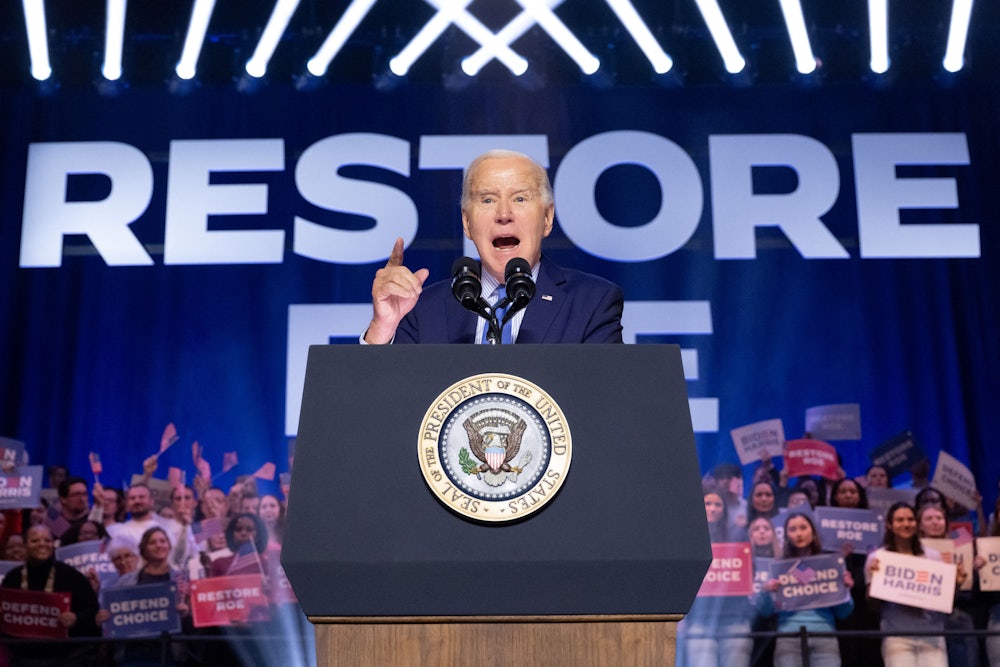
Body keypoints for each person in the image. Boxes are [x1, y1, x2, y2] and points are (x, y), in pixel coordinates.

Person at [362, 149, 624, 345]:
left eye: (520, 198)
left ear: (547, 218)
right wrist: (382, 328)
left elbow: (605, 401)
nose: (503, 214)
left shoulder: (592, 302)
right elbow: (378, 405)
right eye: (487, 200)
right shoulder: (420, 309)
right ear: (467, 222)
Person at [865, 502, 959, 667]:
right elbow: (872, 605)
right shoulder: (878, 557)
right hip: (897, 635)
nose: (906, 524)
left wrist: (957, 583)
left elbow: (946, 600)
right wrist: (874, 583)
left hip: (932, 634)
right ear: (889, 525)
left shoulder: (933, 556)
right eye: (900, 520)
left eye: (910, 519)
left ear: (917, 524)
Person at [757, 512, 854, 667]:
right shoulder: (777, 567)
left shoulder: (830, 564)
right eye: (793, 529)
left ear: (813, 532)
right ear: (786, 535)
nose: (799, 533)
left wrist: (845, 590)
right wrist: (766, 591)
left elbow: (844, 613)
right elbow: (765, 612)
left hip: (824, 635)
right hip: (788, 635)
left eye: (803, 528)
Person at [0, 525, 101, 666]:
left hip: (68, 657)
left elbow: (93, 612)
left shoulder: (72, 576)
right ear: (25, 545)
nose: (42, 544)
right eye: (35, 541)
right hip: (23, 658)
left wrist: (76, 618)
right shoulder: (12, 578)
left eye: (47, 540)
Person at [677, 490, 752, 667]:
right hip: (699, 622)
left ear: (724, 510)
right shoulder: (686, 540)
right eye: (707, 503)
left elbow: (749, 575)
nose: (712, 508)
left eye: (718, 504)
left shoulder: (739, 537)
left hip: (735, 620)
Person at [827, 477, 881, 667]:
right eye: (843, 491)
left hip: (867, 598)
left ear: (860, 496)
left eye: (853, 491)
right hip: (841, 599)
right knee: (846, 651)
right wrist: (840, 556)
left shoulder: (874, 525)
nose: (848, 495)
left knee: (870, 651)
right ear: (834, 497)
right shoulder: (825, 528)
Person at [917, 503, 979, 667]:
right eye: (929, 519)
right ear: (920, 525)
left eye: (939, 518)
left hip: (958, 612)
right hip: (926, 617)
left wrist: (976, 569)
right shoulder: (914, 551)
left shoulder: (962, 544)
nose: (935, 522)